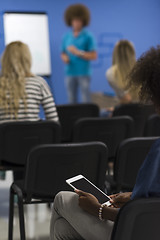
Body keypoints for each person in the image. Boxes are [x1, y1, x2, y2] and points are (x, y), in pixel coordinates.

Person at [50, 46, 160, 240]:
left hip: (139, 232)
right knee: (63, 229)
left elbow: (141, 215)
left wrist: (98, 209)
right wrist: (133, 196)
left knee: (62, 199)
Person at [0, 41, 59, 123]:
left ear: (4, 59)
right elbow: (54, 121)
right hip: (34, 135)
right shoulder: (39, 83)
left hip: (4, 135)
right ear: (27, 59)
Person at [61, 4, 97, 103]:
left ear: (83, 21)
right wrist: (65, 58)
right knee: (71, 99)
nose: (76, 23)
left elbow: (94, 55)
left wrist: (78, 52)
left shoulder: (88, 36)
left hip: (84, 73)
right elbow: (63, 52)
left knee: (86, 99)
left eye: (79, 20)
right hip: (70, 72)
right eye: (74, 20)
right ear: (70, 21)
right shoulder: (66, 36)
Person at [106, 40, 139, 104]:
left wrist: (116, 107)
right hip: (147, 110)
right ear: (132, 52)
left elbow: (127, 99)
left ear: (115, 53)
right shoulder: (141, 68)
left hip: (129, 110)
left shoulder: (111, 73)